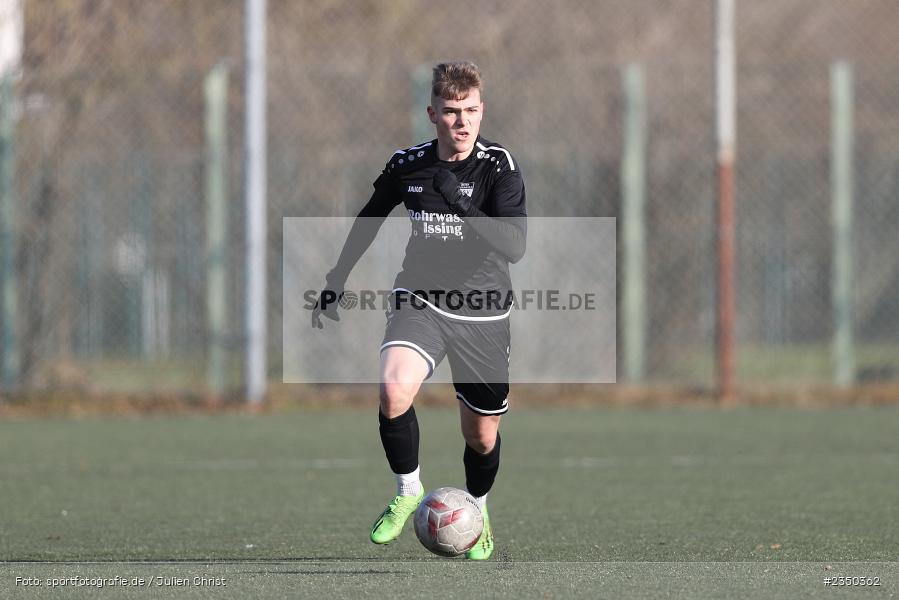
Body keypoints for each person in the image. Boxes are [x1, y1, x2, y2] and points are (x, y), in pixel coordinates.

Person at [312, 60, 526, 560]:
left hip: (484, 312)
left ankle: (479, 509)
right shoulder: (408, 165)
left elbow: (515, 245)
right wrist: (336, 279)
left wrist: (463, 206)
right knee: (393, 388)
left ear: (482, 109)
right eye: (451, 112)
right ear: (432, 113)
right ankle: (408, 488)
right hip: (421, 299)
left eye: (471, 110)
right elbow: (369, 219)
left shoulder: (499, 166)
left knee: (480, 435)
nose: (462, 121)